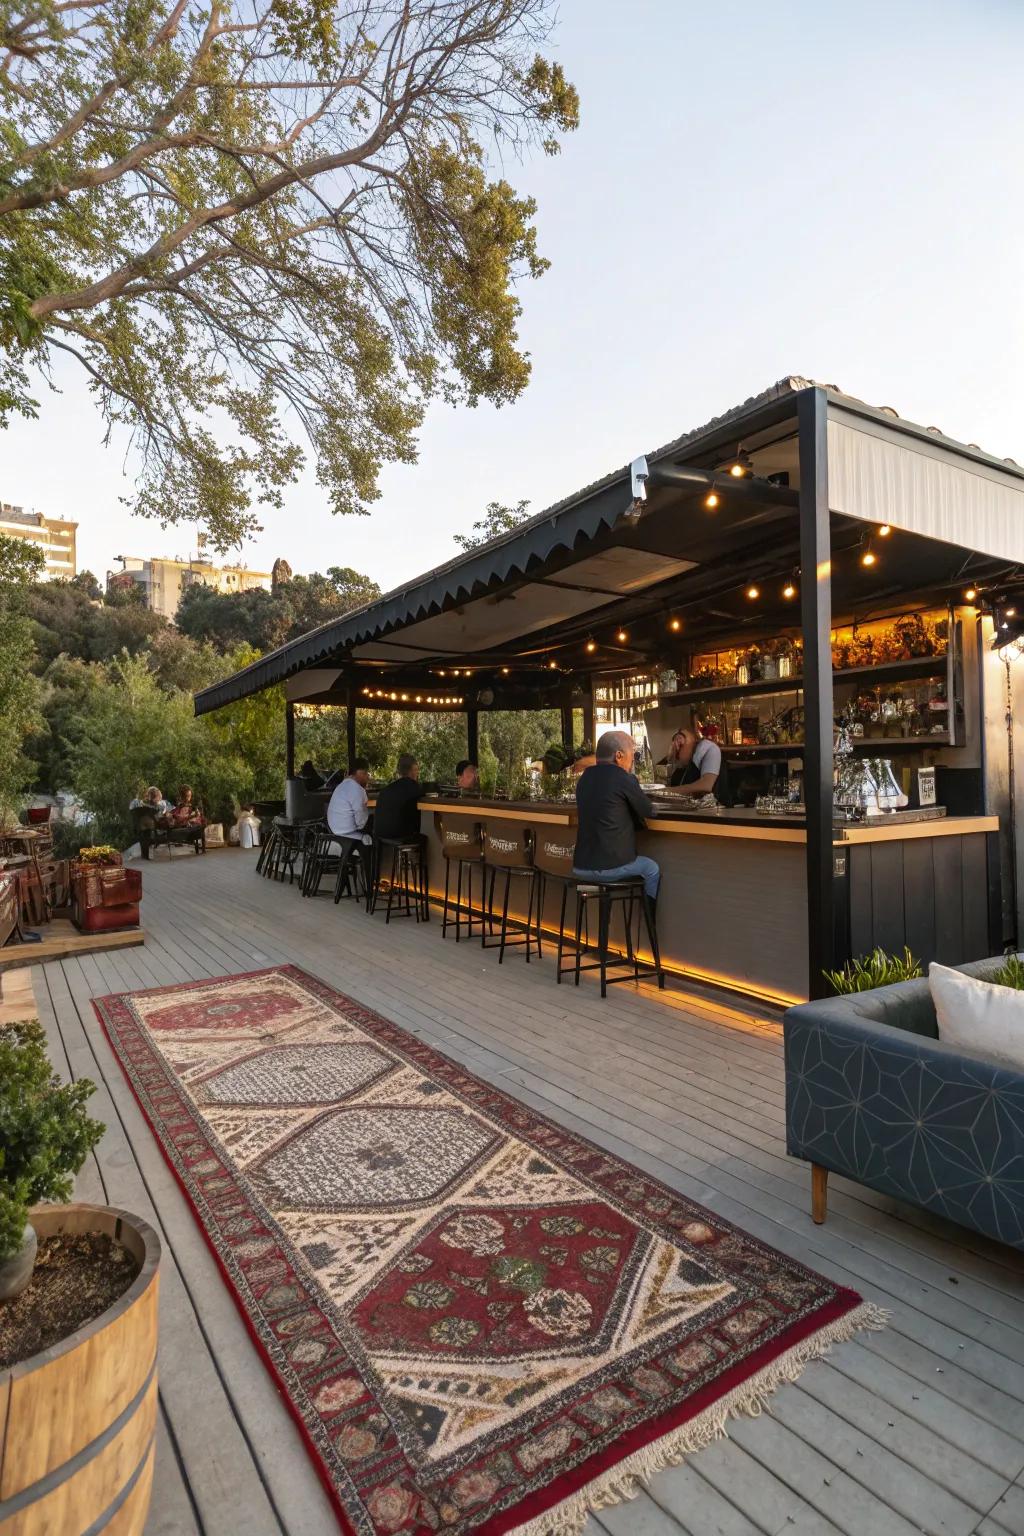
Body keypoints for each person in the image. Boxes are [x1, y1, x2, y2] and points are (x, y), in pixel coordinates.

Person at [572, 730, 660, 900]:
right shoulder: (623, 777)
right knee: (651, 869)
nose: (633, 759)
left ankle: (606, 924)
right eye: (632, 754)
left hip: (581, 865)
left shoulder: (584, 778)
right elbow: (649, 811)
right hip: (612, 866)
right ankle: (650, 923)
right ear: (619, 755)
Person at [664, 724, 727, 805]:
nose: (676, 746)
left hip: (715, 811)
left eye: (680, 740)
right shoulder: (680, 761)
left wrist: (666, 791)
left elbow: (706, 786)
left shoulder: (709, 748)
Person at [372, 754, 424, 844]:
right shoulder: (415, 788)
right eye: (417, 770)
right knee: (424, 837)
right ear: (413, 770)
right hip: (400, 836)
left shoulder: (386, 789)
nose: (417, 773)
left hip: (379, 836)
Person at [327, 758, 373, 845]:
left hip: (335, 831)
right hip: (348, 834)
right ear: (360, 772)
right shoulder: (357, 789)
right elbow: (362, 822)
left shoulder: (342, 786)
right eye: (366, 773)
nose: (367, 777)